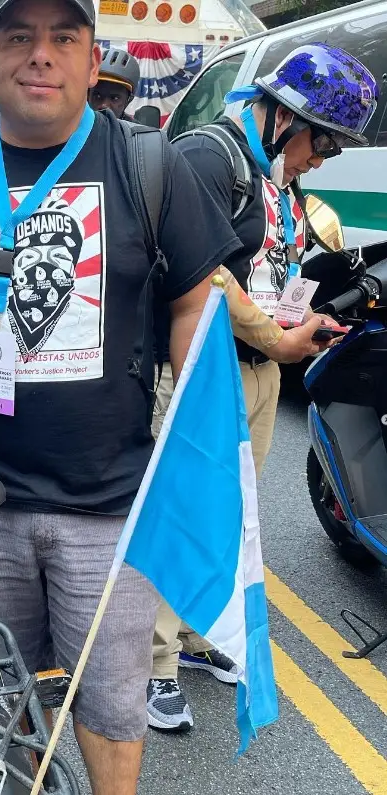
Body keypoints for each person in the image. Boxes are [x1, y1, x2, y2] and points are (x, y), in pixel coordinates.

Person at [0, 0, 245, 791]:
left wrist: (193, 399)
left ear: (88, 55)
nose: (41, 56)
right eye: (19, 38)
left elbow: (190, 297)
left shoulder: (149, 164)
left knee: (110, 706)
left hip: (109, 506)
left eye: (61, 38)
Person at [145, 43, 378, 732]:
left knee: (226, 512)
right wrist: (277, 337)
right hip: (196, 368)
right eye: (323, 144)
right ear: (283, 116)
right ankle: (151, 662)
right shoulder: (205, 156)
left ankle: (193, 637)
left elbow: (265, 270)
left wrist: (305, 321)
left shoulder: (275, 176)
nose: (321, 160)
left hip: (255, 372)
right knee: (181, 510)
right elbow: (204, 271)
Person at [88, 47, 139, 120]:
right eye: (97, 96)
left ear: (128, 100)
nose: (104, 105)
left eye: (115, 98)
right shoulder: (70, 128)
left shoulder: (134, 131)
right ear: (88, 96)